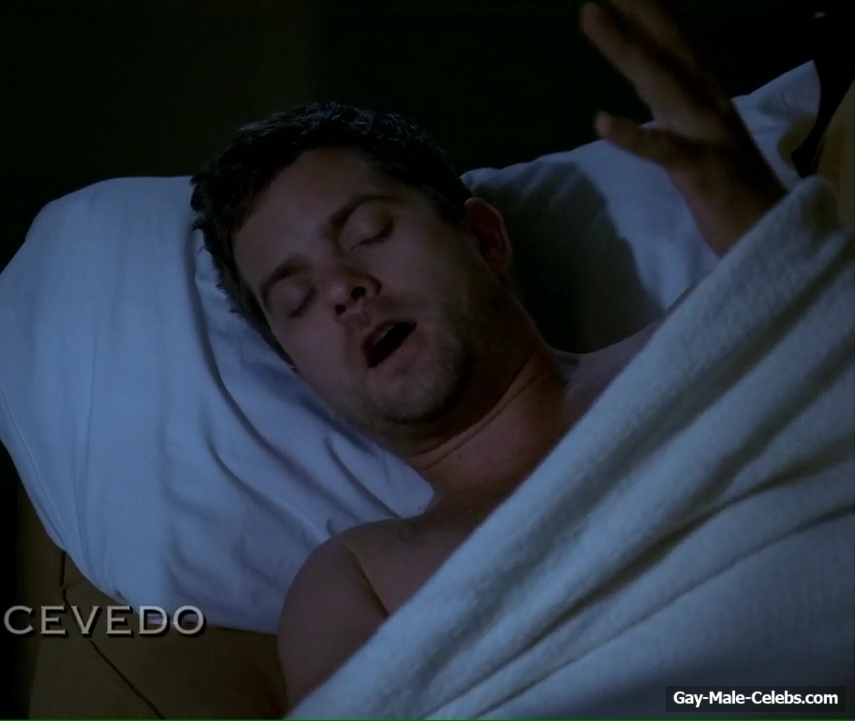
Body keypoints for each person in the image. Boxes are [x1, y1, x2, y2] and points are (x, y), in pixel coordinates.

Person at [188, 0, 791, 706]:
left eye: (368, 232)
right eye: (297, 300)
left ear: (482, 238)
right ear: (305, 376)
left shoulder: (707, 342)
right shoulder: (358, 577)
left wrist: (770, 245)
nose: (345, 289)